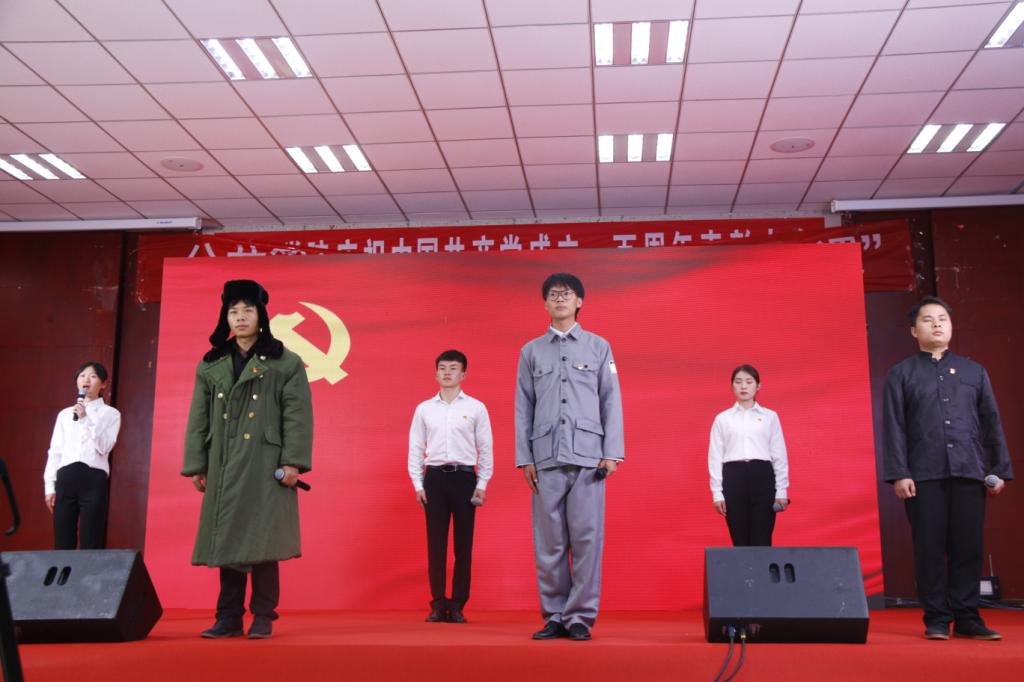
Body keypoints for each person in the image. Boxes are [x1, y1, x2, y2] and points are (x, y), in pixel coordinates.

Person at [182, 279, 313, 640]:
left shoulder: (285, 362)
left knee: (263, 540)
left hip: (266, 463)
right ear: (225, 317)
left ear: (261, 315)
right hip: (223, 461)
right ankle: (228, 617)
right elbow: (198, 417)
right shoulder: (211, 363)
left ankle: (263, 616)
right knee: (227, 537)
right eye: (233, 311)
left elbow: (297, 416)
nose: (240, 317)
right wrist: (197, 464)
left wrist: (293, 461)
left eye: (248, 310)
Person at [883, 296, 1013, 641]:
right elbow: (893, 426)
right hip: (923, 474)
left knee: (968, 548)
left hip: (969, 471)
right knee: (929, 548)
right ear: (914, 331)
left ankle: (968, 618)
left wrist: (999, 469)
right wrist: (899, 472)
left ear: (951, 327)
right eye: (928, 320)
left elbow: (991, 422)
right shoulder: (901, 374)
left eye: (942, 319)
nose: (937, 324)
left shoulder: (974, 372)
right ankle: (937, 618)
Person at [515, 273, 624, 642]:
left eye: (567, 294)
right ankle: (555, 616)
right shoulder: (531, 351)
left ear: (580, 302)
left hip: (589, 459)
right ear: (544, 303)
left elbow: (611, 399)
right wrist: (524, 457)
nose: (559, 299)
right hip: (545, 457)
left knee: (587, 540)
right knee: (549, 544)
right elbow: (523, 407)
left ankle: (580, 617)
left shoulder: (599, 347)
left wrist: (612, 452)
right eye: (553, 294)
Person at [408, 350, 493, 624]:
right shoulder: (424, 409)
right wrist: (418, 483)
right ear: (436, 374)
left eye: (453, 368)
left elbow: (485, 448)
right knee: (436, 544)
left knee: (463, 546)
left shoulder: (476, 408)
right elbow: (416, 447)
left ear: (463, 374)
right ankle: (437, 603)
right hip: (433, 478)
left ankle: (457, 605)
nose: (447, 372)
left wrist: (482, 483)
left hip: (465, 478)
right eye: (442, 368)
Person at [708, 365, 790, 546]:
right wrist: (717, 493)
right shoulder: (723, 418)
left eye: (748, 382)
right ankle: (743, 566)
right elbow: (715, 457)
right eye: (738, 382)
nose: (743, 386)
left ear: (758, 386)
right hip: (733, 476)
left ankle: (763, 566)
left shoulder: (770, 416)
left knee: (763, 537)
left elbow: (779, 454)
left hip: (762, 475)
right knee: (739, 537)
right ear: (732, 386)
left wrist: (782, 490)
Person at [44, 361, 121, 550]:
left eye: (93, 376)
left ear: (103, 384)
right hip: (65, 478)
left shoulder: (111, 414)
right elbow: (55, 451)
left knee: (91, 540)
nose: (86, 380)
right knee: (63, 541)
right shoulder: (64, 415)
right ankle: (64, 571)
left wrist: (86, 419)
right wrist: (49, 487)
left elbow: (105, 446)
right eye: (82, 376)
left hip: (93, 478)